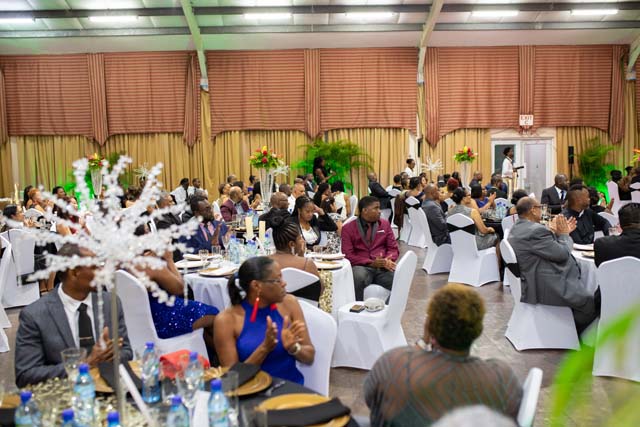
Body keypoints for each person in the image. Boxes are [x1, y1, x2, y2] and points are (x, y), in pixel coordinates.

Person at [364, 284, 521, 427]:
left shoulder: (393, 364)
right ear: (478, 330)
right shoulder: (502, 378)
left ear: (429, 326)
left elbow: (369, 397)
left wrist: (421, 343)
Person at [14, 243, 133, 387]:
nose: (102, 271)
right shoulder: (35, 315)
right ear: (74, 272)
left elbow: (127, 352)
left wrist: (108, 355)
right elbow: (25, 375)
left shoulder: (109, 302)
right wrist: (86, 363)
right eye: (95, 266)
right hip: (64, 393)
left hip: (109, 388)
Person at [213, 257, 315, 384]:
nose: (284, 283)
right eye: (277, 280)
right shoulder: (226, 320)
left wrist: (294, 348)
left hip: (290, 389)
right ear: (257, 286)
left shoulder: (289, 303)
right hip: (250, 391)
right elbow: (232, 380)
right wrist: (265, 348)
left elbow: (309, 357)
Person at [509, 197, 598, 331]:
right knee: (589, 302)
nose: (543, 211)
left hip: (529, 278)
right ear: (533, 210)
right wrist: (564, 235)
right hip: (541, 284)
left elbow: (546, 248)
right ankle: (569, 332)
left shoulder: (517, 227)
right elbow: (562, 254)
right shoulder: (536, 231)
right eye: (541, 207)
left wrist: (558, 233)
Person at [135, 224, 218, 352]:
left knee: (203, 327)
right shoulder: (150, 264)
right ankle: (223, 356)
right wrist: (169, 259)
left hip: (140, 322)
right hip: (164, 319)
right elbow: (180, 289)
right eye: (148, 231)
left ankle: (210, 355)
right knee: (216, 315)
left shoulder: (121, 264)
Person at [341, 196, 399, 301]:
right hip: (361, 266)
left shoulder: (384, 224)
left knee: (400, 279)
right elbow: (348, 255)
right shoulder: (348, 228)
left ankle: (387, 308)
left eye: (379, 208)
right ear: (365, 210)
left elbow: (393, 248)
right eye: (376, 208)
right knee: (357, 277)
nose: (379, 211)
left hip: (383, 267)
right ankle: (357, 306)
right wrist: (371, 263)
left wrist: (388, 259)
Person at [268, 212, 322, 302]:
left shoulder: (265, 262)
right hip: (303, 309)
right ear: (292, 244)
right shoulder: (306, 264)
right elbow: (320, 290)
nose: (303, 240)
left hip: (273, 308)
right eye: (300, 238)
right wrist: (301, 257)